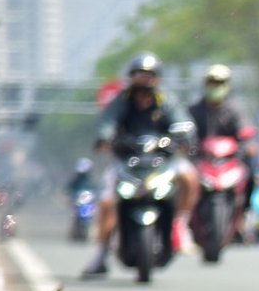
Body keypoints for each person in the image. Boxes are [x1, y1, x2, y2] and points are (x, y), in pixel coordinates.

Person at [82, 54, 195, 278]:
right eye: (140, 74)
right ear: (132, 77)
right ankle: (101, 255)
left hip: (161, 161)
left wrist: (184, 137)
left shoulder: (166, 100)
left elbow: (182, 122)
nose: (145, 79)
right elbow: (107, 122)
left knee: (190, 178)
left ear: (156, 78)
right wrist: (106, 138)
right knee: (107, 203)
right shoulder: (122, 101)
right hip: (127, 162)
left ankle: (180, 225)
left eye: (149, 75)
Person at [189, 65, 256, 244]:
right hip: (201, 160)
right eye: (212, 82)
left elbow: (244, 130)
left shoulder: (235, 110)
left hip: (229, 161)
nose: (216, 86)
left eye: (219, 83)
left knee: (251, 173)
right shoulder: (195, 110)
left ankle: (244, 214)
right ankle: (181, 219)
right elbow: (186, 132)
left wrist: (248, 145)